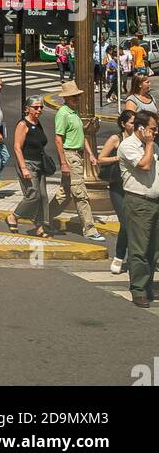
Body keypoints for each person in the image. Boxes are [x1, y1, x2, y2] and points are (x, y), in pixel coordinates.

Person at [48, 80, 105, 242]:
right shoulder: (63, 113)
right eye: (73, 97)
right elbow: (58, 139)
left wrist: (91, 155)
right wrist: (64, 163)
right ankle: (89, 229)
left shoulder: (74, 112)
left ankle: (44, 217)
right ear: (66, 98)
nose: (76, 99)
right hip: (70, 156)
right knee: (80, 194)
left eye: (77, 96)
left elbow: (82, 137)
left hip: (77, 155)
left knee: (65, 194)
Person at [117, 110, 159, 308]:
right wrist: (149, 144)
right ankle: (139, 289)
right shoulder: (128, 146)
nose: (155, 132)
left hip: (155, 201)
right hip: (138, 201)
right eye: (152, 129)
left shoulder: (154, 146)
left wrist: (151, 144)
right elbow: (143, 165)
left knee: (153, 249)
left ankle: (148, 285)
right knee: (139, 249)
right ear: (141, 128)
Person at [6, 96, 52, 236]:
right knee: (33, 195)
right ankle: (14, 217)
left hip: (40, 164)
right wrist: (24, 168)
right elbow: (17, 147)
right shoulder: (23, 124)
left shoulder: (37, 123)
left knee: (43, 196)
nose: (39, 110)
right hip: (27, 163)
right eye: (36, 107)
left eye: (41, 107)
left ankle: (39, 227)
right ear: (27, 109)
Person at [98, 109, 136, 275]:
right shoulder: (116, 138)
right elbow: (101, 159)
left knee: (136, 225)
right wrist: (118, 157)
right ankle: (119, 257)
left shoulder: (138, 139)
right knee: (126, 223)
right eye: (132, 123)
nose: (134, 126)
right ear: (123, 124)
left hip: (134, 187)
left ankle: (135, 258)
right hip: (117, 187)